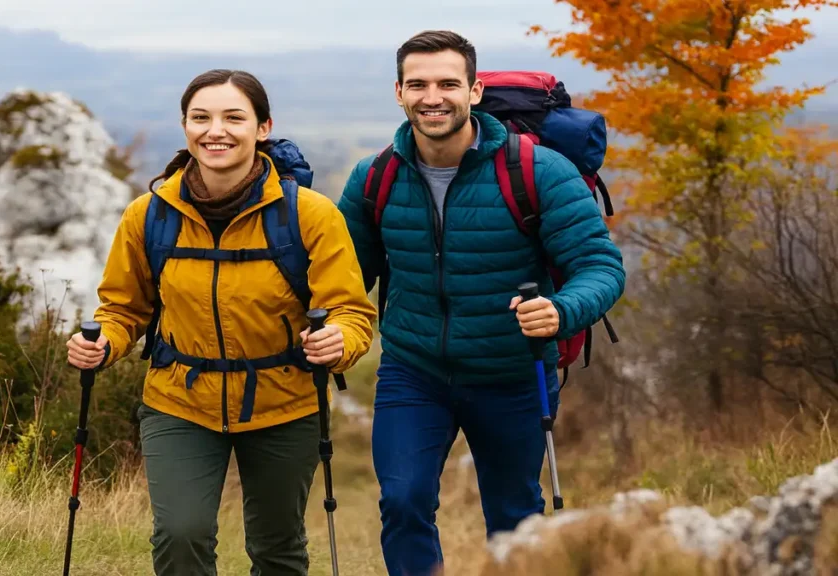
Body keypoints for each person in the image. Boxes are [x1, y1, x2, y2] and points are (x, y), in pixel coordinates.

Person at [336, 31, 626, 576]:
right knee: (402, 503)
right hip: (413, 372)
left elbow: (600, 267)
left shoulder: (537, 171)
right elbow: (344, 277)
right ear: (398, 92)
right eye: (418, 84)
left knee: (514, 519)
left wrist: (561, 311)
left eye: (448, 83)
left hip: (513, 373)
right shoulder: (375, 177)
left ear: (474, 90)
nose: (433, 96)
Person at [66, 68, 376, 575]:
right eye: (201, 118)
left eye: (235, 117)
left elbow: (351, 309)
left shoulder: (310, 216)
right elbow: (123, 309)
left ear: (263, 128)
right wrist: (103, 345)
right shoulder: (148, 216)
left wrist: (339, 340)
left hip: (285, 402)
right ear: (185, 127)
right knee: (179, 534)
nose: (216, 130)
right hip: (179, 400)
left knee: (278, 548)